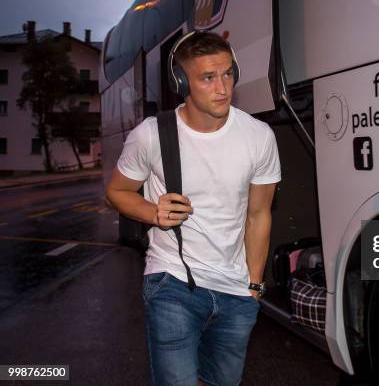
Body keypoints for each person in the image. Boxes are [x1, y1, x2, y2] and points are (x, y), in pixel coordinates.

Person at [105, 31, 281, 386]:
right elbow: (117, 192)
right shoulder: (152, 135)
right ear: (182, 82)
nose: (223, 87)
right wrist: (153, 212)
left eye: (228, 73)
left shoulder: (259, 136)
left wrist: (255, 286)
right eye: (208, 77)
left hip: (236, 291)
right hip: (171, 283)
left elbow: (259, 214)